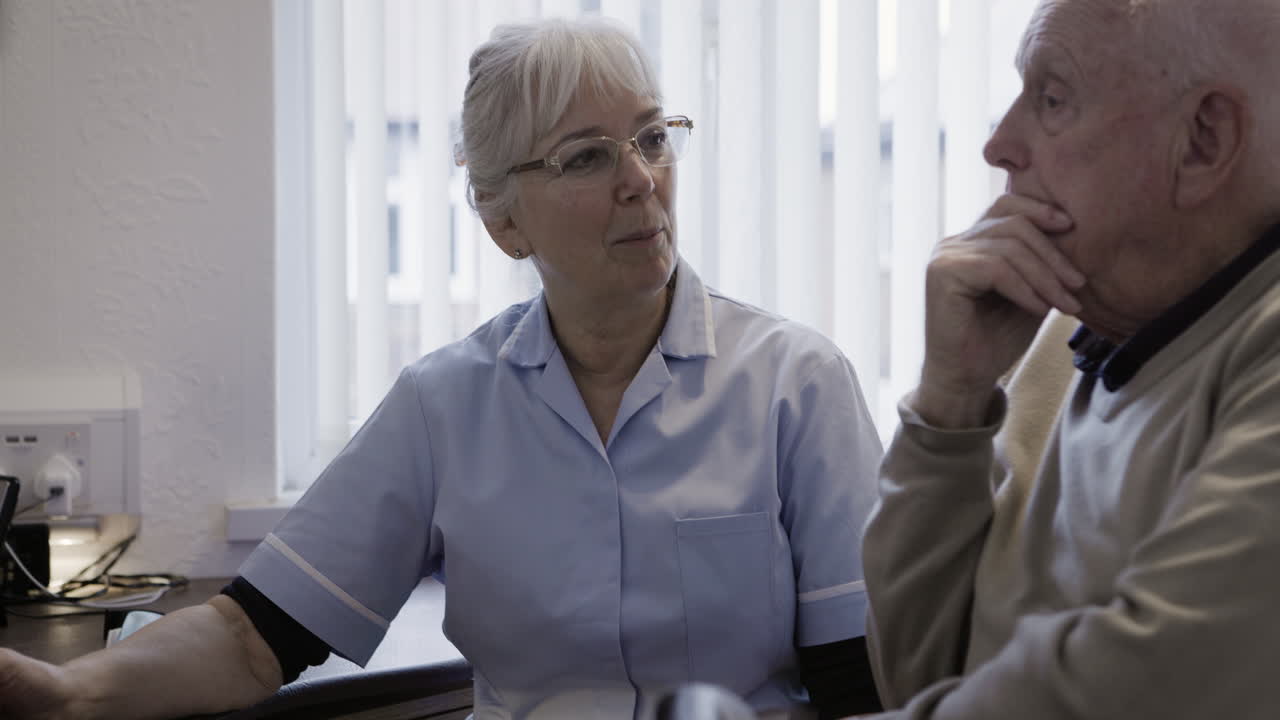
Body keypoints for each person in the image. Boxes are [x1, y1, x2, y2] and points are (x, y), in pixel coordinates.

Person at [0, 17, 884, 720]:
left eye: (652, 138)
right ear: (505, 224)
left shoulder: (796, 386)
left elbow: (865, 685)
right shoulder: (447, 403)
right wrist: (73, 694)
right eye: (587, 155)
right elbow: (253, 635)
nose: (641, 179)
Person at [860, 0, 1280, 718]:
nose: (998, 144)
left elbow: (1141, 685)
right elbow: (920, 676)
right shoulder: (1069, 330)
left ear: (1204, 141)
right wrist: (951, 399)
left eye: (1052, 99)